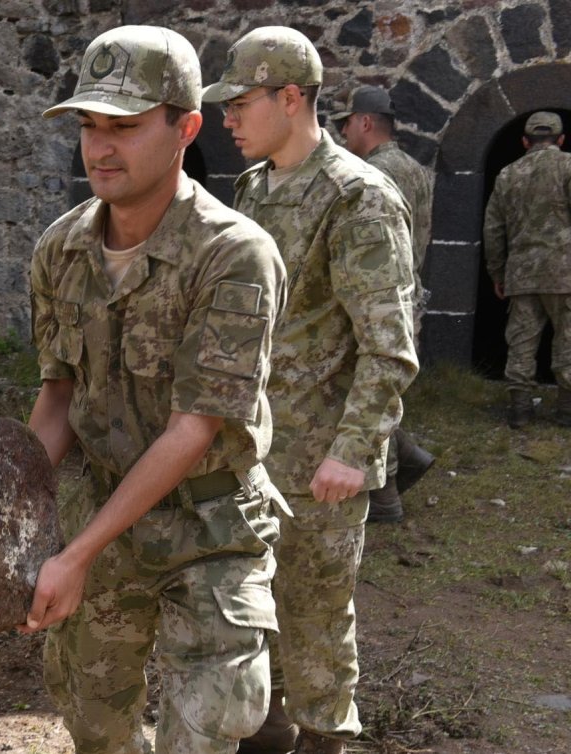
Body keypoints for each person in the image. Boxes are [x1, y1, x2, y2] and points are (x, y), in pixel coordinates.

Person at [23, 25, 287, 754]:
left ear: (186, 128)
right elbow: (58, 399)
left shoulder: (233, 255)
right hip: (101, 525)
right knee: (97, 732)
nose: (100, 148)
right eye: (88, 126)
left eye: (126, 127)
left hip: (210, 535)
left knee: (202, 735)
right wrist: (14, 511)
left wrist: (72, 557)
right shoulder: (61, 248)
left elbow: (194, 428)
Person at [202, 27, 418, 754]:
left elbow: (389, 347)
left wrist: (353, 453)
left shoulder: (359, 198)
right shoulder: (252, 188)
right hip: (251, 453)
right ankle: (267, 735)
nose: (227, 117)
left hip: (320, 463)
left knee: (317, 623)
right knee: (251, 614)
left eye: (240, 102)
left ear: (290, 98)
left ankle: (328, 741)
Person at [333, 84, 436, 522]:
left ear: (365, 122)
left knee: (371, 389)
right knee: (384, 388)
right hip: (408, 290)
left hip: (384, 293)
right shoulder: (412, 166)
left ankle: (387, 493)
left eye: (344, 124)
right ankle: (409, 455)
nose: (340, 134)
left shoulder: (373, 173)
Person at [483, 110, 571, 428]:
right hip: (565, 272)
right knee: (568, 339)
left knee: (521, 342)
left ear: (524, 142)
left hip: (521, 274)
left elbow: (493, 229)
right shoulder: (568, 166)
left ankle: (520, 409)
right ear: (560, 139)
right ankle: (566, 410)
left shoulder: (507, 175)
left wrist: (497, 272)